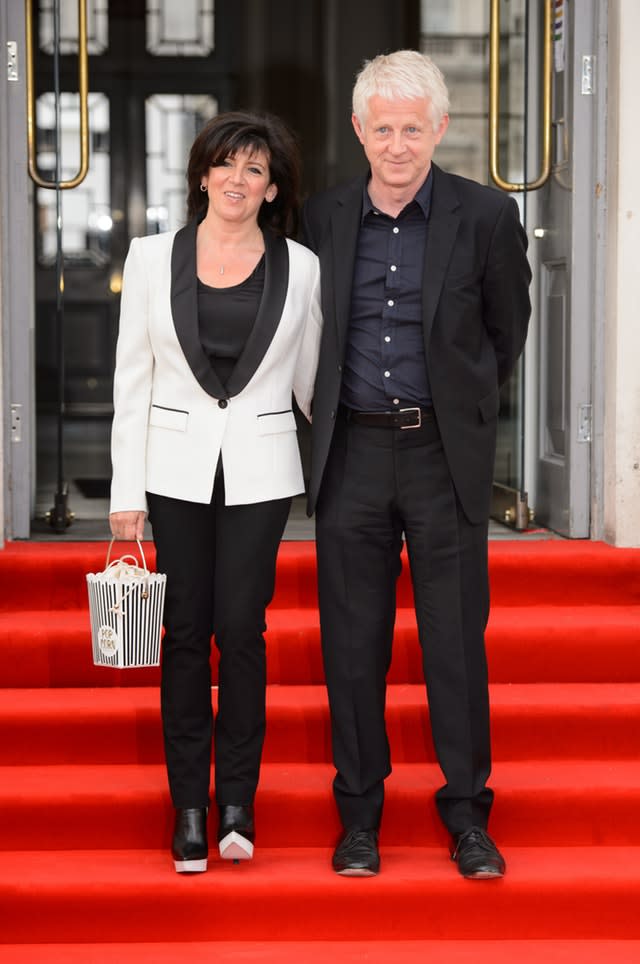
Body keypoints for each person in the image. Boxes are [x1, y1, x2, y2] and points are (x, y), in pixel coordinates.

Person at [301, 50, 531, 878]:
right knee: (352, 646)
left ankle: (467, 815)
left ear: (440, 128)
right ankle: (359, 817)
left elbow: (507, 333)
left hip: (442, 455)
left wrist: (460, 406)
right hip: (352, 455)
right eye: (383, 128)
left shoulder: (485, 217)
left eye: (413, 127)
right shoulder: (321, 218)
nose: (398, 144)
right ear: (360, 130)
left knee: (454, 645)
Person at [109, 111, 322, 874]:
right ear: (202, 175)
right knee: (185, 632)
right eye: (226, 164)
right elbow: (132, 380)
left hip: (262, 475)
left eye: (255, 170)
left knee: (243, 629)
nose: (239, 179)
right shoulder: (149, 257)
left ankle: (237, 801)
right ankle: (189, 810)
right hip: (171, 471)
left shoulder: (301, 267)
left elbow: (309, 384)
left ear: (272, 189)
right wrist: (124, 492)